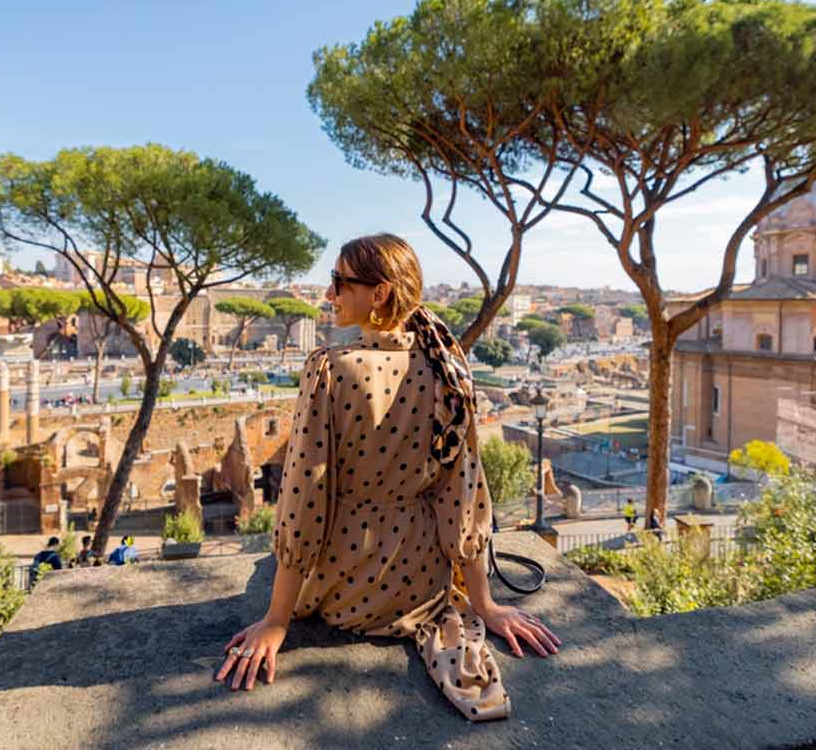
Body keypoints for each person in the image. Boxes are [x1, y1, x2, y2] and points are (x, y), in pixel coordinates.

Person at [217, 234, 560, 722]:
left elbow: (303, 500)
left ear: (378, 295)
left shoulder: (330, 369)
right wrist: (484, 604)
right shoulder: (448, 368)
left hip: (345, 587)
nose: (329, 294)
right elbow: (463, 493)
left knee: (262, 570)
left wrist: (276, 621)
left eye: (339, 282)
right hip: (423, 583)